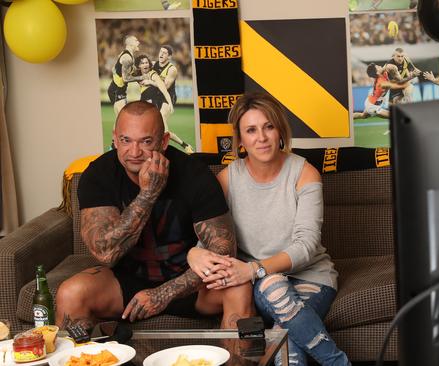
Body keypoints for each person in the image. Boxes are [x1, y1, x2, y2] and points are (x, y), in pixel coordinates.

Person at [55, 101, 254, 331]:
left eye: (146, 141)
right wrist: (148, 193)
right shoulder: (99, 175)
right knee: (71, 294)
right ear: (115, 138)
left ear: (164, 141)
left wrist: (163, 294)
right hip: (125, 283)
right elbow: (106, 254)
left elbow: (224, 252)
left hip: (190, 283)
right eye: (125, 140)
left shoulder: (195, 174)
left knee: (240, 289)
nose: (134, 152)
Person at [187, 93, 350, 366]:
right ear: (240, 139)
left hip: (311, 277)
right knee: (272, 284)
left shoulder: (304, 173)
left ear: (280, 131)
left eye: (268, 127)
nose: (261, 137)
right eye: (251, 130)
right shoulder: (227, 179)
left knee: (284, 340)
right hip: (264, 285)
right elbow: (214, 241)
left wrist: (253, 269)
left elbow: (306, 246)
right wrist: (194, 252)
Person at [152, 45, 194, 153]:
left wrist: (149, 82)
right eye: (160, 51)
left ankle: (178, 148)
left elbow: (165, 87)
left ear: (169, 57)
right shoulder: (153, 64)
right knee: (161, 129)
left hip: (168, 97)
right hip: (156, 97)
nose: (161, 54)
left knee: (162, 123)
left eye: (165, 53)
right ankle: (185, 145)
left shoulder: (172, 69)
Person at [108, 35, 143, 117]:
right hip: (117, 91)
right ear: (130, 44)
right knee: (123, 120)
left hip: (119, 90)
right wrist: (141, 78)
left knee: (120, 121)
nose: (139, 42)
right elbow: (125, 78)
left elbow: (114, 69)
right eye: (136, 40)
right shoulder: (127, 58)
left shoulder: (127, 55)